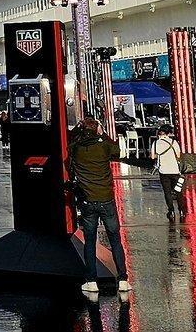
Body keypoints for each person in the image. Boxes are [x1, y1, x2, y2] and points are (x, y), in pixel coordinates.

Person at [67, 116, 132, 295]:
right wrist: (104, 134)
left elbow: (70, 143)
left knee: (89, 241)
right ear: (97, 130)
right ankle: (123, 280)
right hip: (106, 199)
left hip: (87, 200)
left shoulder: (75, 149)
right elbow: (117, 151)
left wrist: (80, 129)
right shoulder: (103, 146)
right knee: (115, 240)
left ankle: (91, 281)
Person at [151, 128, 187, 219]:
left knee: (167, 192)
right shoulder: (174, 142)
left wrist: (158, 155)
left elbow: (152, 157)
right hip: (175, 171)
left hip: (163, 171)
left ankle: (171, 211)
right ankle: (182, 211)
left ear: (158, 135)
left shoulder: (155, 143)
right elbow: (178, 155)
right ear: (168, 134)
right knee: (178, 191)